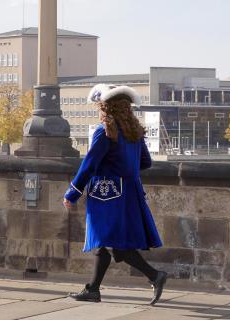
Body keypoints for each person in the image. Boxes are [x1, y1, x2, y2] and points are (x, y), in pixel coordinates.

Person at [63, 84, 167, 306]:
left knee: (113, 243)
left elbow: (89, 166)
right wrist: (125, 169)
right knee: (105, 242)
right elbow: (145, 162)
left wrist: (72, 193)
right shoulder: (133, 132)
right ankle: (93, 290)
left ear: (106, 107)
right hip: (130, 192)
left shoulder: (105, 132)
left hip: (107, 193)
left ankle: (154, 275)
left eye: (100, 107)